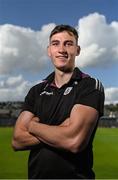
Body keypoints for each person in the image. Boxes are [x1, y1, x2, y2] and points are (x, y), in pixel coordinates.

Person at [12, 24, 104, 179]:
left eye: (68, 44)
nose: (62, 49)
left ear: (77, 50)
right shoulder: (36, 90)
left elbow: (74, 141)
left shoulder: (89, 85)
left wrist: (32, 125)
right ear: (49, 51)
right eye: (56, 44)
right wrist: (62, 128)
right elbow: (17, 140)